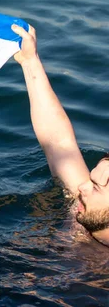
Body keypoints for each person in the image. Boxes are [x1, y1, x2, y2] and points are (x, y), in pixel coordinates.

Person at [12, 24, 109, 246]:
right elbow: (58, 142)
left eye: (95, 187)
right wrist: (30, 61)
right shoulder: (87, 211)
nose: (82, 187)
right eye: (91, 180)